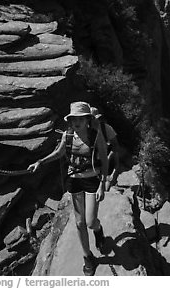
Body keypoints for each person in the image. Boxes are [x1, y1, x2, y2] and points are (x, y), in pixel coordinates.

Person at [28, 101, 120, 276]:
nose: (75, 122)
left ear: (87, 120)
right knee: (79, 223)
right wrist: (40, 162)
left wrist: (103, 183)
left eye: (79, 119)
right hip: (74, 181)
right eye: (72, 119)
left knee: (90, 221)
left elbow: (105, 159)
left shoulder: (96, 135)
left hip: (92, 179)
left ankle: (98, 230)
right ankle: (88, 257)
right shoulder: (68, 135)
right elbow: (59, 153)